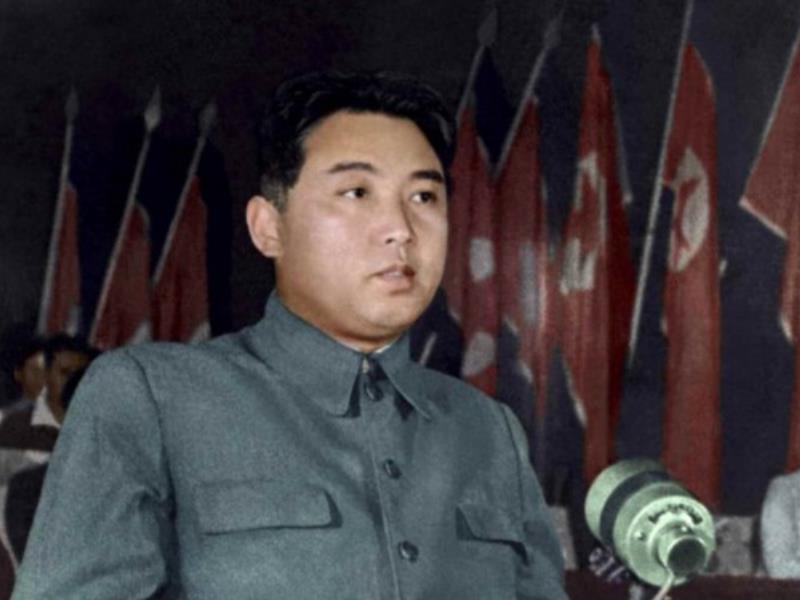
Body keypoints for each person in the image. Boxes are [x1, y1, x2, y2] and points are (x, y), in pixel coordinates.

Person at [13, 71, 566, 599]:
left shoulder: (488, 430)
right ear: (268, 227)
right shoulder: (151, 399)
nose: (400, 228)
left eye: (424, 196)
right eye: (357, 192)